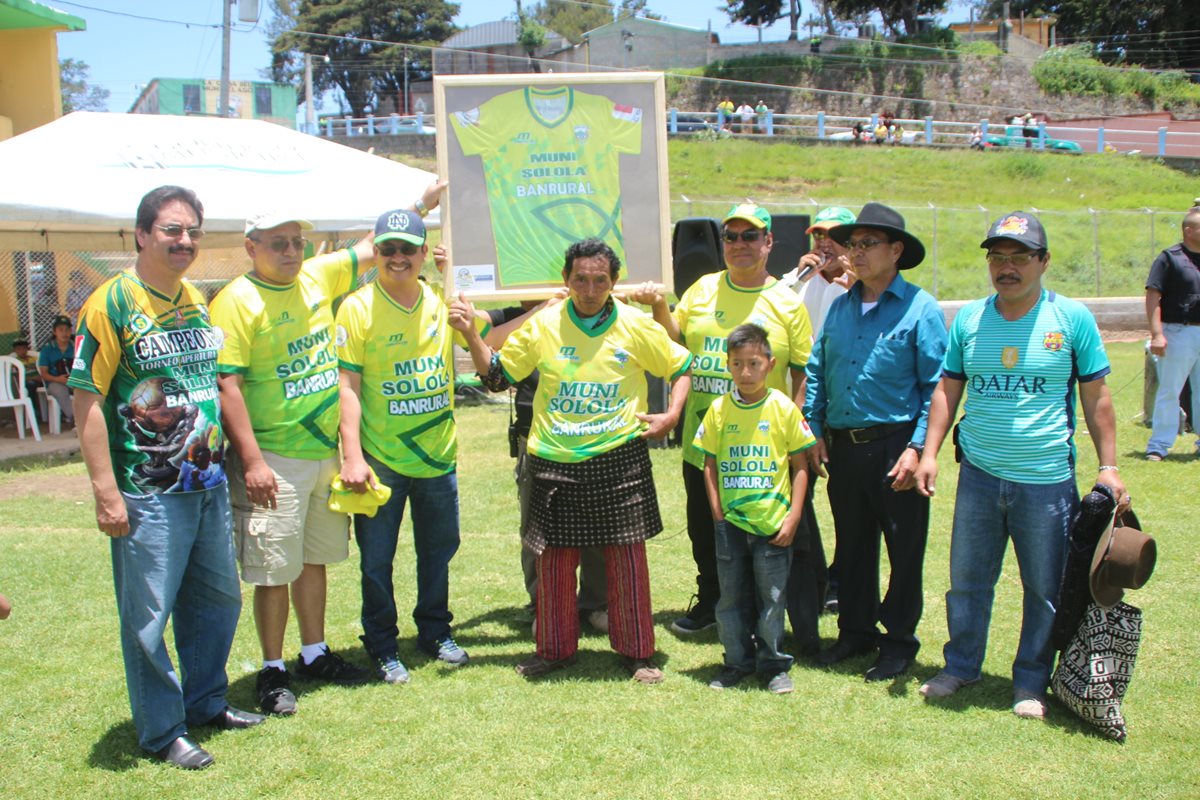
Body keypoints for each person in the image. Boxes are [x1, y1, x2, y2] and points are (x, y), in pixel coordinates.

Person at [209, 193, 438, 711]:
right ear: (251, 247)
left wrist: (417, 206)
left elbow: (369, 246)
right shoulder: (236, 300)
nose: (290, 251)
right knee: (273, 569)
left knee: (314, 559)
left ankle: (314, 653)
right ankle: (272, 670)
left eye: (297, 242)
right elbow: (228, 386)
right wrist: (252, 462)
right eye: (277, 243)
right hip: (274, 457)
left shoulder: (314, 275)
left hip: (323, 453)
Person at [69, 185, 262, 770]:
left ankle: (205, 701)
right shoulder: (111, 304)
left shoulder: (193, 299)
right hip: (148, 489)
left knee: (218, 600)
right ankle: (162, 730)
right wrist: (106, 493)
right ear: (142, 234)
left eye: (193, 231)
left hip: (204, 481)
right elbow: (87, 400)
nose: (184, 241)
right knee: (149, 616)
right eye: (172, 230)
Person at [914, 211, 1129, 719]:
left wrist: (1109, 467)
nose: (1006, 268)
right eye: (998, 257)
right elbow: (948, 388)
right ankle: (961, 665)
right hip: (979, 476)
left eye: (1019, 257)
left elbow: (1097, 398)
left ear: (1043, 261)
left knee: (1044, 589)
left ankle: (1030, 682)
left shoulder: (1071, 319)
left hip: (1047, 481)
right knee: (967, 580)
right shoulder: (969, 318)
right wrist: (929, 452)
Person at [450, 238, 693, 684]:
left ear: (614, 283)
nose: (589, 287)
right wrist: (469, 333)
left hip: (618, 457)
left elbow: (681, 367)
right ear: (565, 280)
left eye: (600, 280)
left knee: (627, 561)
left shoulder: (637, 326)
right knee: (556, 564)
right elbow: (497, 378)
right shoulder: (544, 323)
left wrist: (672, 414)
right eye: (580, 278)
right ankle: (555, 652)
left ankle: (638, 654)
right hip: (553, 460)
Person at [630, 204, 812, 638]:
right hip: (705, 438)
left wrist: (801, 434)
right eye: (731, 236)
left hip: (764, 442)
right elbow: (674, 338)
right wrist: (658, 304)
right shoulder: (702, 288)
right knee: (705, 526)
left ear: (769, 242)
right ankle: (712, 600)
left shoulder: (786, 302)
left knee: (765, 528)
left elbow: (803, 372)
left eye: (750, 236)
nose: (740, 245)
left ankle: (763, 610)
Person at [336, 208, 481, 680]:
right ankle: (381, 643)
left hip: (437, 456)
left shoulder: (444, 301)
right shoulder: (356, 307)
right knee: (377, 560)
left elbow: (488, 346)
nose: (397, 257)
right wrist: (353, 456)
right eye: (388, 249)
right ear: (375, 252)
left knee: (439, 551)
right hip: (382, 459)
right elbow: (348, 387)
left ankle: (435, 630)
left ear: (424, 252)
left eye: (407, 249)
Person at [805, 202, 947, 682]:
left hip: (896, 446)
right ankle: (855, 632)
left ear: (897, 251)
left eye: (869, 244)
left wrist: (918, 448)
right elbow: (817, 369)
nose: (856, 253)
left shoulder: (920, 309)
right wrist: (814, 426)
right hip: (844, 446)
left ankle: (899, 641)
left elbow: (936, 387)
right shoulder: (842, 306)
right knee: (853, 545)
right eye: (854, 244)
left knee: (904, 548)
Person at [481, 295, 610, 636]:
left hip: (587, 431)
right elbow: (482, 337)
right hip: (534, 434)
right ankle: (546, 604)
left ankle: (596, 604)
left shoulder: (583, 306)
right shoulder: (509, 313)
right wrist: (536, 313)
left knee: (597, 525)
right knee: (538, 528)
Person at [698, 324, 815, 694]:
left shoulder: (782, 407)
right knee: (730, 596)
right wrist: (717, 513)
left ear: (770, 363)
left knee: (772, 597)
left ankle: (774, 665)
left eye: (754, 363)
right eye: (737, 364)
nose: (746, 372)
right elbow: (710, 464)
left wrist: (794, 515)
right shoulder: (718, 410)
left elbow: (800, 466)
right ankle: (736, 661)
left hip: (773, 523)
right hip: (731, 523)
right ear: (728, 366)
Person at [780, 205, 857, 622]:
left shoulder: (858, 287)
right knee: (799, 494)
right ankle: (810, 580)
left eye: (833, 237)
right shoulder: (797, 283)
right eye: (817, 236)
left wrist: (853, 280)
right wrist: (797, 277)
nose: (823, 244)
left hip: (843, 411)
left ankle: (843, 580)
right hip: (801, 408)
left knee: (846, 503)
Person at [1144, 207, 1200, 461]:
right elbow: (1153, 295)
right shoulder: (1170, 258)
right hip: (1178, 331)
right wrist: (1157, 333)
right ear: (1189, 231)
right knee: (1170, 389)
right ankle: (1159, 445)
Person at [38, 315, 75, 427]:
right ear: (54, 332)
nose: (64, 333)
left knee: (87, 390)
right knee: (60, 391)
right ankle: (75, 418)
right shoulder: (47, 349)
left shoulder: (77, 347)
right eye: (61, 329)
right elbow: (44, 374)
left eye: (67, 330)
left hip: (74, 380)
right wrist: (58, 379)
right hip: (55, 381)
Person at [10, 338, 42, 422]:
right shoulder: (15, 362)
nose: (22, 351)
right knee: (30, 385)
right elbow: (17, 377)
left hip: (39, 380)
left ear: (27, 349)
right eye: (18, 349)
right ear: (15, 351)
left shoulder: (34, 359)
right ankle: (35, 413)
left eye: (24, 348)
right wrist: (33, 378)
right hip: (26, 382)